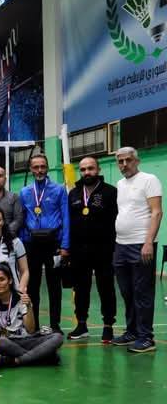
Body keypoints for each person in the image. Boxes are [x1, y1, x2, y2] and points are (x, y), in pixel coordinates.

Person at [112, 147, 163, 353]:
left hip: (142, 244)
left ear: (137, 161)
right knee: (127, 291)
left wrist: (148, 242)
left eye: (128, 160)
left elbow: (157, 212)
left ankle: (146, 337)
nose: (124, 164)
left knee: (143, 292)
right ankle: (132, 332)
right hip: (120, 245)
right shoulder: (120, 184)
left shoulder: (149, 180)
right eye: (120, 161)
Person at [67, 157, 118, 343]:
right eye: (83, 169)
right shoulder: (73, 193)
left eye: (90, 168)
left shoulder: (110, 192)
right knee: (81, 289)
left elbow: (117, 220)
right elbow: (69, 222)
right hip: (79, 250)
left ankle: (108, 326)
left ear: (98, 169)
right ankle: (81, 325)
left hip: (104, 249)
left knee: (106, 288)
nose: (87, 172)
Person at [19, 154, 69, 334]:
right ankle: (34, 326)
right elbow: (22, 219)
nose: (39, 170)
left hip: (53, 244)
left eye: (42, 166)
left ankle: (55, 325)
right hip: (32, 244)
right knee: (32, 287)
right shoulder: (25, 192)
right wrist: (22, 245)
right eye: (36, 167)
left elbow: (66, 217)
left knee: (54, 286)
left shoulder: (59, 190)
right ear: (31, 169)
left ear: (47, 168)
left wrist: (65, 245)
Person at [0, 264, 63, 366]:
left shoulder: (20, 297)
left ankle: (17, 360)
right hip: (7, 341)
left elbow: (30, 330)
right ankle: (42, 357)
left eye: (1, 279)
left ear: (10, 280)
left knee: (57, 337)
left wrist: (29, 307)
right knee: (0, 342)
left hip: (25, 339)